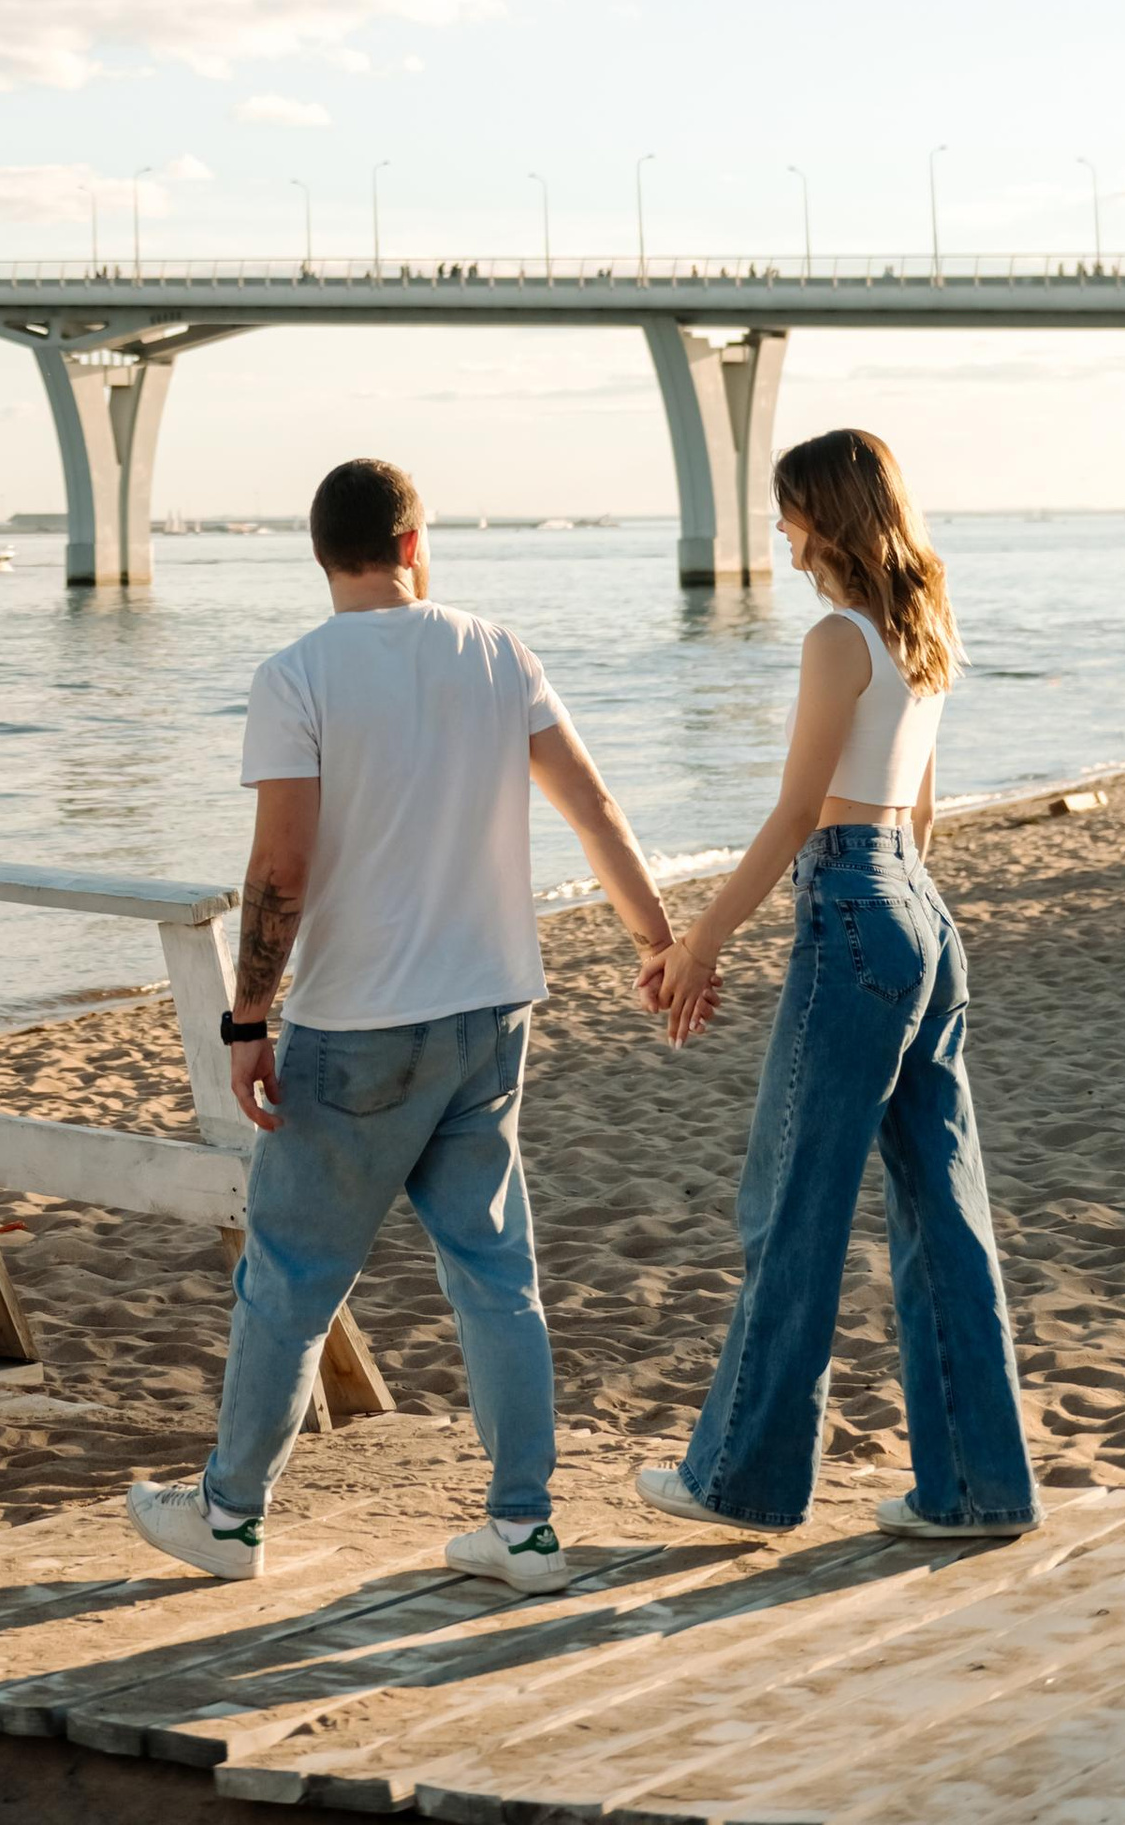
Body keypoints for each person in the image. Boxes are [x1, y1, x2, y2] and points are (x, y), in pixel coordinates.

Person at [125, 454, 699, 1597]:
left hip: (358, 1026)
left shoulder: (296, 675)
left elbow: (280, 867)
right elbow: (592, 806)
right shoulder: (497, 651)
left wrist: (248, 1020)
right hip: (489, 1012)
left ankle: (230, 1517)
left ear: (322, 553)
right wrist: (655, 940)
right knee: (495, 1277)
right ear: (412, 542)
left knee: (289, 1278)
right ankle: (524, 1528)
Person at [639, 425, 1037, 1541]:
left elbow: (796, 811)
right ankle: (977, 1489)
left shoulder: (833, 639)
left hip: (857, 911)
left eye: (789, 511)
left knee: (792, 1205)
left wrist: (703, 940)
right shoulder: (922, 628)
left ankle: (742, 1481)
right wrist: (900, 911)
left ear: (824, 514)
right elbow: (916, 810)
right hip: (919, 911)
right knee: (941, 1209)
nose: (779, 530)